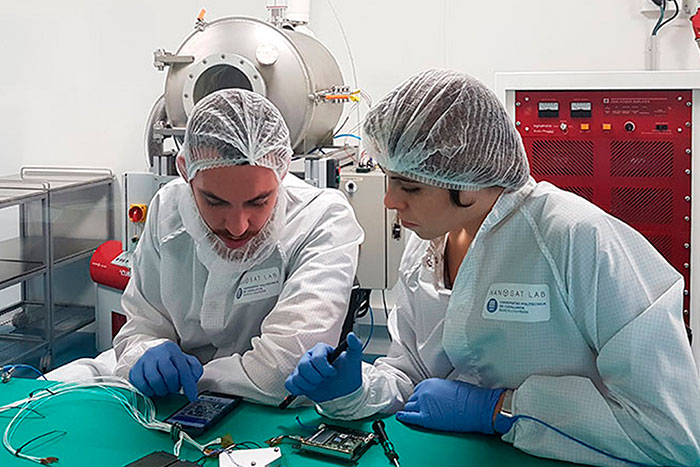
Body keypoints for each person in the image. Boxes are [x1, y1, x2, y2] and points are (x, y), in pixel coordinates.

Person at [284, 69, 700, 466]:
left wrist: (502, 409)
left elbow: (671, 433)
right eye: (388, 178)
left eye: (410, 186)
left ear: (467, 181)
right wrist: (352, 390)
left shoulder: (574, 238)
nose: (390, 201)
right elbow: (415, 377)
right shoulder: (428, 241)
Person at [49, 88, 364, 405]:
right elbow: (141, 325)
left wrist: (189, 380)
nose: (238, 226)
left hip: (267, 410)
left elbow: (281, 368)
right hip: (171, 399)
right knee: (57, 388)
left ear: (282, 171)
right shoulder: (168, 207)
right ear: (185, 171)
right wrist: (144, 355)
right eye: (215, 202)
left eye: (259, 202)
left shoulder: (321, 219)